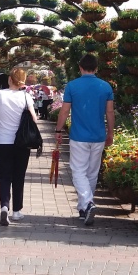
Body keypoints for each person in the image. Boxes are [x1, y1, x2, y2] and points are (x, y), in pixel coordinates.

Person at [55, 54, 114, 226]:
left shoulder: (73, 86)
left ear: (80, 67)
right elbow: (109, 112)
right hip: (98, 136)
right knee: (92, 172)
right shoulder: (105, 86)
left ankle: (88, 202)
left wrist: (58, 130)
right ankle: (83, 208)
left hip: (79, 136)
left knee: (78, 171)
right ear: (96, 68)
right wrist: (110, 132)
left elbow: (64, 111)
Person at [0, 67, 38, 226]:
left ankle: (4, 207)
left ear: (10, 79)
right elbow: (33, 119)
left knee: (4, 177)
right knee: (19, 177)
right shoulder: (26, 96)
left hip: (3, 142)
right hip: (21, 144)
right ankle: (16, 212)